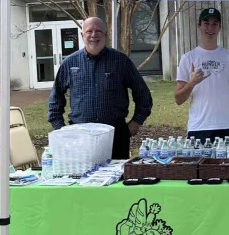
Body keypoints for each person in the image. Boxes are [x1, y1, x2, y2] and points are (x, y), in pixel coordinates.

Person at [47, 16, 153, 159]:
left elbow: (144, 95)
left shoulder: (121, 61)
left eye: (98, 31)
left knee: (117, 179)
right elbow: (55, 102)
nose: (93, 35)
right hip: (80, 138)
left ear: (106, 34)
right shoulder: (70, 63)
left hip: (116, 136)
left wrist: (136, 122)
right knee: (82, 179)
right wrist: (62, 131)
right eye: (89, 31)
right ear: (82, 35)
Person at [175, 7, 229, 144]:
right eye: (206, 23)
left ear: (219, 28)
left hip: (225, 126)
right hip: (199, 127)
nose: (210, 28)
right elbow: (178, 99)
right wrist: (191, 83)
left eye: (214, 24)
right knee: (200, 165)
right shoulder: (188, 58)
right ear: (199, 26)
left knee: (226, 165)